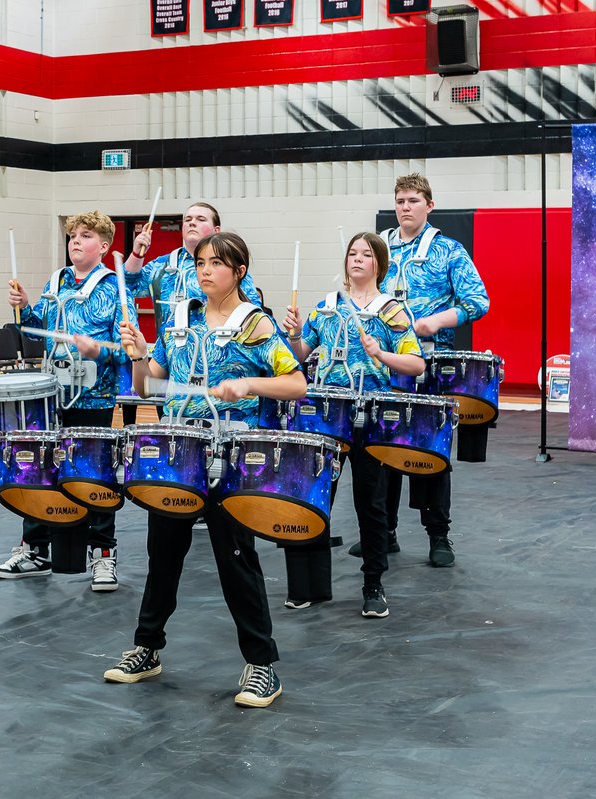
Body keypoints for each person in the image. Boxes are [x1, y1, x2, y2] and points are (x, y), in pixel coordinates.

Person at [104, 231, 306, 709]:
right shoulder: (180, 319)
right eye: (200, 263)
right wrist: (136, 355)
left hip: (230, 456)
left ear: (239, 272)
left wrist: (249, 384)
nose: (205, 270)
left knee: (236, 558)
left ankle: (262, 666)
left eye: (217, 263)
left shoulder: (254, 323)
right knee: (163, 554)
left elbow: (296, 382)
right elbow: (148, 386)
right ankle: (147, 648)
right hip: (179, 451)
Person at [282, 232, 425, 617]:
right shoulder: (327, 308)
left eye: (365, 254)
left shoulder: (391, 311)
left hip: (370, 417)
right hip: (326, 415)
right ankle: (309, 586)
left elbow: (417, 363)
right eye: (351, 253)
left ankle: (373, 585)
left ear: (379, 262)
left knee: (370, 504)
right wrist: (294, 333)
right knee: (314, 499)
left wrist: (381, 353)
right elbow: (298, 356)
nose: (357, 259)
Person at [0, 210, 134, 591]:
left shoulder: (114, 287)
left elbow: (129, 348)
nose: (75, 241)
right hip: (52, 393)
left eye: (85, 235)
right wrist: (23, 307)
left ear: (103, 246)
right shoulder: (57, 280)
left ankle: (103, 554)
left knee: (95, 477)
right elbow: (37, 330)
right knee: (41, 472)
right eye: (72, 235)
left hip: (94, 397)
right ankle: (35, 549)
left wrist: (99, 350)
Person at [361, 174, 490, 568]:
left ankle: (439, 536)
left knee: (428, 450)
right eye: (400, 200)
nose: (405, 207)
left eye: (413, 200)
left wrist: (434, 322)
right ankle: (385, 532)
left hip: (431, 364)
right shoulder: (378, 247)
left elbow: (478, 301)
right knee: (383, 451)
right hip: (384, 365)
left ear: (429, 206)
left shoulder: (449, 250)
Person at [123, 203, 262, 333]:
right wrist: (136, 254)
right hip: (169, 353)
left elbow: (251, 312)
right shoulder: (163, 265)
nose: (192, 222)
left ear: (216, 230)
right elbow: (127, 287)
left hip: (218, 351)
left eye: (201, 219)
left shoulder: (228, 266)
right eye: (187, 219)